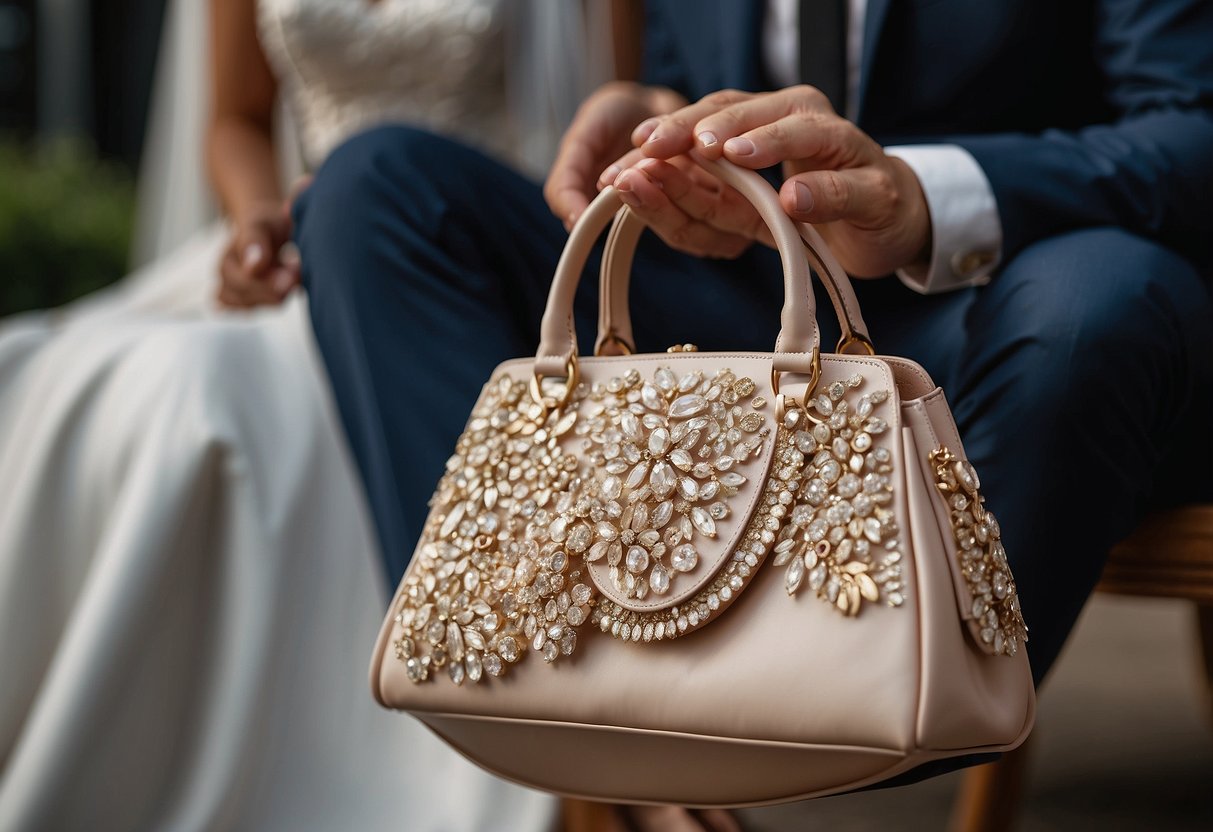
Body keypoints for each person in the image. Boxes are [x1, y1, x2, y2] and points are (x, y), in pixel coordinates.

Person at [297, 0, 1213, 827]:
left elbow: (1192, 132)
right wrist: (663, 115)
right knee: (375, 187)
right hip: (744, 297)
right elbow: (706, 89)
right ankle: (537, 676)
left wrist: (917, 196)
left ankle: (866, 699)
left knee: (1096, 305)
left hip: (1001, 297)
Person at [0, 0, 609, 828]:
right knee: (118, 384)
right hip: (305, 243)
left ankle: (550, 736)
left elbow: (611, 105)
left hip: (471, 252)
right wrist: (256, 222)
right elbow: (234, 121)